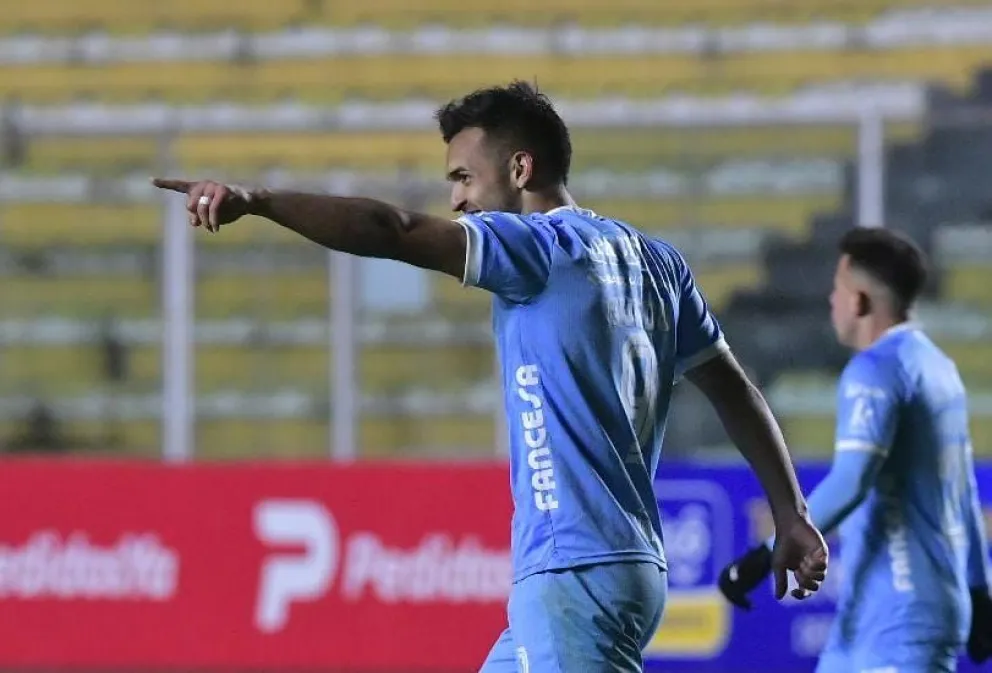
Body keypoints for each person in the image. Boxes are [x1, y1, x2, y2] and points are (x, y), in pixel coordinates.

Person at [154, 81, 828, 672]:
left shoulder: (538, 248)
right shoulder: (655, 262)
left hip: (575, 568)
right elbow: (734, 388)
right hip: (619, 564)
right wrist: (791, 512)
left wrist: (260, 201)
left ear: (519, 167)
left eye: (464, 178)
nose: (456, 200)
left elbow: (392, 229)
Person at [718, 227, 992, 672]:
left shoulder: (875, 369)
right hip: (878, 617)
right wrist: (979, 591)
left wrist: (761, 558)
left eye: (838, 288)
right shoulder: (939, 368)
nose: (832, 300)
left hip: (898, 614)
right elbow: (962, 494)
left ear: (860, 301)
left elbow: (851, 481)